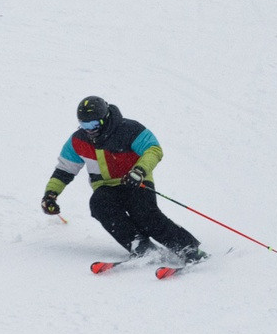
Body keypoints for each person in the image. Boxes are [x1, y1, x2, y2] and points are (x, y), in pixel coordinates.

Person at [42, 96, 206, 264]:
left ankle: (188, 248)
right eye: (84, 125)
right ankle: (140, 246)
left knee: (144, 215)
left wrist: (139, 171)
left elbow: (153, 150)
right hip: (106, 186)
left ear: (104, 119)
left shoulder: (129, 129)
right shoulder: (78, 140)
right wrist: (50, 194)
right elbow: (64, 169)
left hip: (135, 180)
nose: (89, 130)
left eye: (93, 125)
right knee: (99, 205)